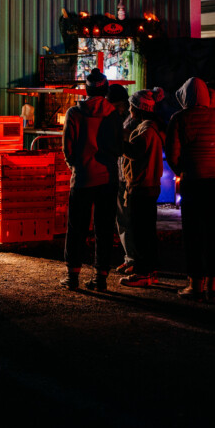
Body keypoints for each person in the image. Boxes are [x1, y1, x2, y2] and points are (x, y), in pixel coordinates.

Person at [164, 76, 215, 301]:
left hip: (192, 181)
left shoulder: (178, 118)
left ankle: (195, 285)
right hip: (214, 182)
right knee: (213, 232)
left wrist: (182, 171)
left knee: (192, 233)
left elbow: (172, 153)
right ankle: (212, 285)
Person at [60, 69, 123, 291]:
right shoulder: (113, 114)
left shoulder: (74, 113)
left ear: (86, 90)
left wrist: (75, 167)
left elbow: (68, 148)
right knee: (104, 229)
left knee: (76, 228)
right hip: (108, 178)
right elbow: (118, 147)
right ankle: (100, 278)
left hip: (83, 178)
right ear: (105, 90)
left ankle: (72, 276)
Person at [119, 90, 166, 288]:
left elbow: (135, 151)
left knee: (140, 232)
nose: (129, 110)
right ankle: (150, 271)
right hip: (148, 185)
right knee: (146, 231)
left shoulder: (146, 130)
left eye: (132, 106)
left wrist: (118, 142)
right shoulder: (151, 127)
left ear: (139, 108)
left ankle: (142, 273)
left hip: (141, 186)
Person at [105, 84, 133, 275]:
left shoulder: (129, 121)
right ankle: (129, 257)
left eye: (115, 106)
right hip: (121, 175)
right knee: (122, 218)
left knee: (126, 218)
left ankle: (133, 258)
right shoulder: (121, 118)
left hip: (127, 177)